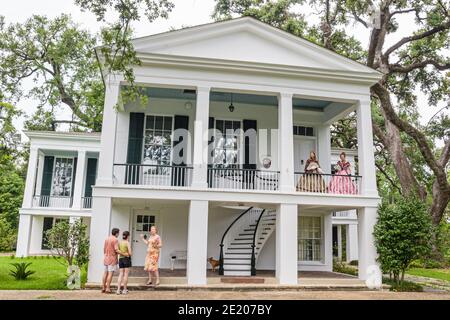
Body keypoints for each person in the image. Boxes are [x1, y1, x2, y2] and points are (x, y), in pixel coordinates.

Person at [102, 228, 126, 293]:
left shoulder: (107, 239)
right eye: (118, 233)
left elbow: (104, 249)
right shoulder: (115, 240)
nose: (118, 234)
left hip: (106, 258)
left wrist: (107, 254)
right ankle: (107, 288)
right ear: (116, 233)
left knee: (105, 273)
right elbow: (116, 250)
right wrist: (124, 254)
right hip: (112, 259)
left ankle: (103, 287)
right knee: (110, 273)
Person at [116, 231, 132, 295]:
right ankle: (124, 290)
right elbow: (130, 253)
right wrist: (128, 254)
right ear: (128, 236)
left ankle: (118, 290)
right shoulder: (127, 243)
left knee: (121, 274)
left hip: (120, 259)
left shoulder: (119, 242)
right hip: (126, 259)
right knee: (126, 274)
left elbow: (118, 251)